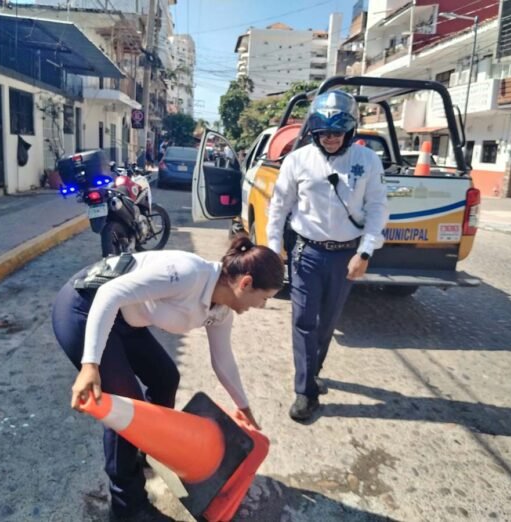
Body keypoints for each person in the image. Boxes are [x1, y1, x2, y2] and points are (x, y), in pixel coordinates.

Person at [52, 236, 284, 520]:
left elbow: (223, 360)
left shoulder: (221, 310)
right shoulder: (186, 273)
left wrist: (244, 408)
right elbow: (109, 294)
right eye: (264, 298)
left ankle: (142, 450)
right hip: (84, 306)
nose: (261, 306)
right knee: (126, 407)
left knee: (165, 378)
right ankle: (127, 507)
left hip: (124, 319)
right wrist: (91, 365)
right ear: (246, 283)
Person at [266, 91, 389, 422]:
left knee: (328, 321)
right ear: (314, 132)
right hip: (306, 253)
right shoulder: (298, 160)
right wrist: (274, 244)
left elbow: (378, 208)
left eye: (337, 132)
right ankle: (304, 390)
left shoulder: (368, 162)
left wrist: (365, 252)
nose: (331, 139)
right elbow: (279, 206)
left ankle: (314, 370)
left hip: (346, 256)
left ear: (350, 131)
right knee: (304, 321)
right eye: (324, 133)